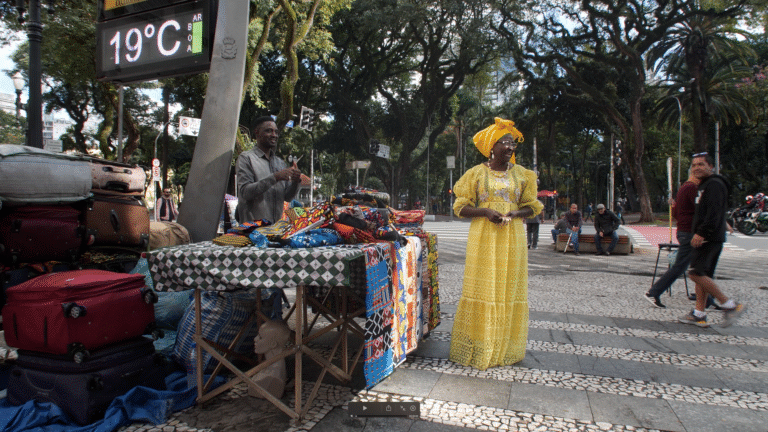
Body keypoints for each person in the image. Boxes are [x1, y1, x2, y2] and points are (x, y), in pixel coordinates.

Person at [449, 117, 543, 370]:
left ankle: (504, 346)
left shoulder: (523, 175)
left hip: (512, 238)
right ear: (492, 146)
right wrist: (486, 212)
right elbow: (460, 207)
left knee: (507, 289)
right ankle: (479, 343)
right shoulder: (476, 174)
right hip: (483, 237)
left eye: (512, 144)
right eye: (504, 143)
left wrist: (514, 214)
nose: (510, 148)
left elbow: (532, 207)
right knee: (484, 288)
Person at [678, 153, 745, 327]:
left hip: (708, 237)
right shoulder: (705, 185)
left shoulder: (714, 184)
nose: (697, 168)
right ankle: (699, 314)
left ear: (711, 166)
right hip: (710, 236)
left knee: (695, 273)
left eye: (701, 164)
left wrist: (701, 233)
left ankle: (730, 305)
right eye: (694, 165)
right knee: (703, 274)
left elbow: (714, 212)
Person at [644, 168, 699, 308]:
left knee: (699, 265)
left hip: (683, 230)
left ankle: (708, 297)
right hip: (689, 232)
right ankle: (654, 291)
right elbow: (699, 210)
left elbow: (676, 213)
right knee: (681, 266)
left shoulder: (682, 189)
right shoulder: (692, 188)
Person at [236, 116, 302, 223]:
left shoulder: (280, 163)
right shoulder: (246, 158)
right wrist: (275, 177)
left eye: (276, 132)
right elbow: (245, 192)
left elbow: (287, 197)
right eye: (268, 131)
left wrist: (296, 181)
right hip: (252, 231)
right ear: (257, 133)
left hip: (275, 230)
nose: (274, 135)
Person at [250, 320, 292, 400]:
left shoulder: (273, 375)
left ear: (273, 344)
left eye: (260, 337)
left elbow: (252, 390)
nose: (255, 339)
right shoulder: (272, 368)